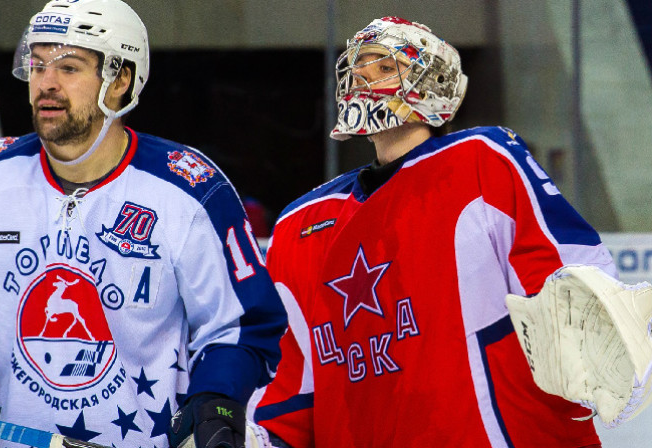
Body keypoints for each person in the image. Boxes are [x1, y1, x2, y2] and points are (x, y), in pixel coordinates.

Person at [0, 1, 287, 447]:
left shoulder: (188, 190)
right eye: (38, 64)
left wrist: (217, 401)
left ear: (120, 79)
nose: (45, 83)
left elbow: (241, 323)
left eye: (68, 67)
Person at [251, 16, 622, 447]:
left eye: (385, 67)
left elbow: (568, 280)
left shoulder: (480, 160)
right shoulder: (302, 225)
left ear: (433, 85)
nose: (365, 78)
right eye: (358, 68)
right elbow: (290, 388)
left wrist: (599, 335)